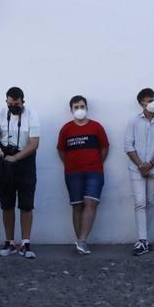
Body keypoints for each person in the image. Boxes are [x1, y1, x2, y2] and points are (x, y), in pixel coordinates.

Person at [0, 87, 40, 258]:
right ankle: (9, 242)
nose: (13, 107)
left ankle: (26, 243)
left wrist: (17, 157)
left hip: (25, 161)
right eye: (10, 104)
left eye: (16, 104)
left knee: (26, 204)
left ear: (23, 101)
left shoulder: (32, 115)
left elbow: (34, 144)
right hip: (5, 159)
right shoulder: (0, 113)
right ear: (6, 101)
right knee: (7, 204)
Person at [56, 96, 109, 255]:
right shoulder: (66, 129)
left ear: (87, 108)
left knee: (91, 203)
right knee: (77, 205)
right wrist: (69, 164)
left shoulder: (96, 127)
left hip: (94, 171)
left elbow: (105, 148)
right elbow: (60, 150)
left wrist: (97, 163)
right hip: (73, 172)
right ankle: (80, 240)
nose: (79, 109)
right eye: (76, 107)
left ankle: (82, 240)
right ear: (71, 109)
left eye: (82, 106)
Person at [123, 88, 154, 256]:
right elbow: (128, 146)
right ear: (141, 103)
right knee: (140, 203)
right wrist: (141, 165)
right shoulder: (133, 122)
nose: (152, 103)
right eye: (149, 100)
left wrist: (149, 164)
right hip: (136, 169)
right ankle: (142, 240)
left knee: (149, 203)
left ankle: (145, 239)